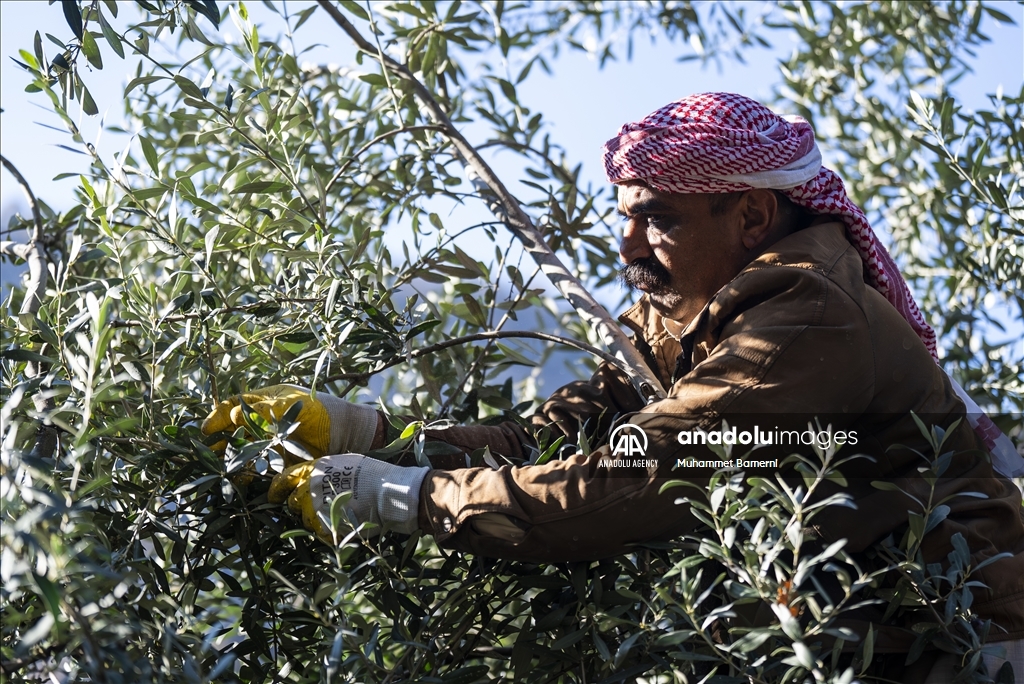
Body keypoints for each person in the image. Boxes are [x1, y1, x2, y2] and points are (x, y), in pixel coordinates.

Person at [201, 93, 1023, 679]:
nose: (627, 246)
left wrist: (402, 500)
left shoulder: (809, 314)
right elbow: (554, 438)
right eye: (622, 216)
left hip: (965, 647)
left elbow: (641, 477)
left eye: (658, 217)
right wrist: (366, 436)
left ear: (751, 219)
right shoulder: (687, 312)